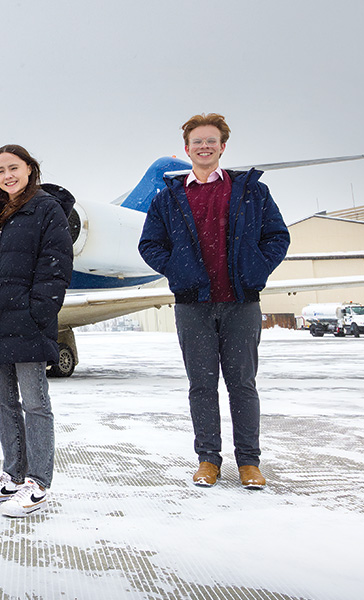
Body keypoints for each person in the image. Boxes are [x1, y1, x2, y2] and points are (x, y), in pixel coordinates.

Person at [137, 113, 291, 490]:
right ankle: (208, 459)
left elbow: (277, 236)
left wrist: (255, 270)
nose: (204, 147)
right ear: (187, 149)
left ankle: (249, 463)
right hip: (193, 306)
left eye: (211, 141)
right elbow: (149, 244)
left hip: (241, 302)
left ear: (223, 146)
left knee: (242, 384)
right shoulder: (169, 198)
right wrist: (179, 271)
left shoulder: (251, 191)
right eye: (196, 141)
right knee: (201, 386)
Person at [0, 145, 72, 518]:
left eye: (14, 168)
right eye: (0, 170)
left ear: (29, 169)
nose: (8, 175)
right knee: (3, 403)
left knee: (36, 403)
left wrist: (38, 309)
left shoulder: (46, 209)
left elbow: (56, 265)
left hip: (26, 321)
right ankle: (12, 474)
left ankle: (38, 481)